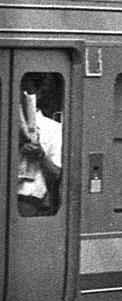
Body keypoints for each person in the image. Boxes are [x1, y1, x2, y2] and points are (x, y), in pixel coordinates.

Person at [16, 75, 63, 217]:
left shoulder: (53, 129)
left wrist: (39, 155)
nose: (21, 95)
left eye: (27, 90)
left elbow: (56, 174)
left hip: (29, 197)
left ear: (39, 94)